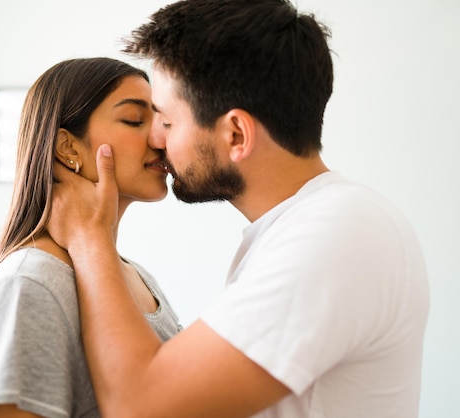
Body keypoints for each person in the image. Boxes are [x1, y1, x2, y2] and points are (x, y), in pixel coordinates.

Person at [46, 1, 431, 417]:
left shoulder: (337, 236)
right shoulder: (314, 226)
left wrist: (90, 238)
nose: (157, 138)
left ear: (235, 134)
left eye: (168, 121)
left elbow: (140, 407)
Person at [0, 57, 182, 418]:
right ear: (67, 148)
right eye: (134, 120)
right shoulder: (30, 285)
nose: (160, 137)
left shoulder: (140, 278)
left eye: (160, 120)